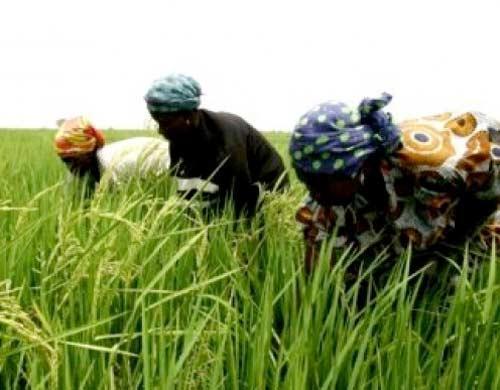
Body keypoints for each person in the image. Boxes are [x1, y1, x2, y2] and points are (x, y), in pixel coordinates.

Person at [290, 93, 499, 273]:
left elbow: (490, 161)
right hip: (406, 223)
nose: (312, 192)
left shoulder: (435, 165)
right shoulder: (324, 202)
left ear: (354, 164)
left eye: (319, 182)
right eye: (304, 179)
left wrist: (461, 233)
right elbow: (313, 269)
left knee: (449, 284)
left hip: (474, 214)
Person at [144, 73, 289, 217]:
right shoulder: (179, 137)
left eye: (166, 123)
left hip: (265, 190)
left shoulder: (227, 141)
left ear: (189, 115)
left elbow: (238, 199)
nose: (161, 130)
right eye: (158, 123)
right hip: (232, 191)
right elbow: (182, 188)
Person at [54, 116, 170, 190]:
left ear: (89, 152)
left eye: (74, 159)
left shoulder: (118, 167)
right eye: (65, 160)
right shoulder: (92, 169)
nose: (71, 166)